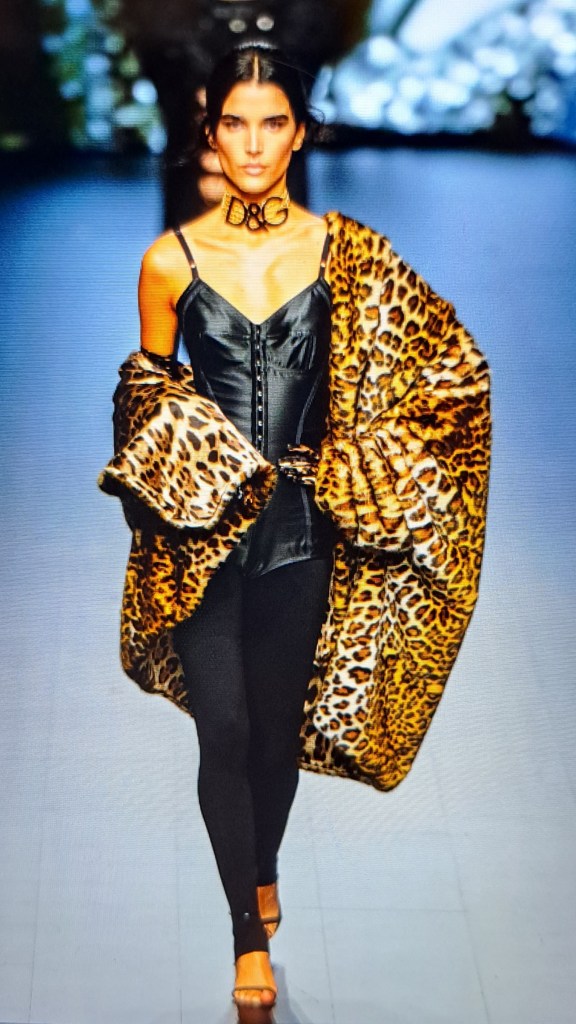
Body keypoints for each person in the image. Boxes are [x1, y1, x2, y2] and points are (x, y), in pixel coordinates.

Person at [100, 40, 491, 1012]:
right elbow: (148, 402)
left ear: (300, 134)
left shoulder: (347, 255)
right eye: (235, 123)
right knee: (225, 728)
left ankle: (262, 862)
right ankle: (248, 935)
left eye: (271, 123)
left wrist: (363, 465)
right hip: (200, 542)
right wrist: (176, 467)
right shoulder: (168, 262)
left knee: (275, 735)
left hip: (304, 536)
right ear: (212, 132)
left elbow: (453, 374)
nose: (252, 143)